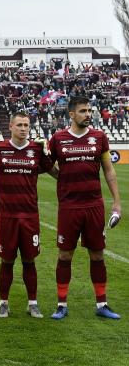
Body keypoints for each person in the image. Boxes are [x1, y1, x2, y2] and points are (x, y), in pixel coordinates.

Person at [47, 96, 122, 320]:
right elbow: (48, 166)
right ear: (71, 114)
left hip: (94, 205)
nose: (88, 114)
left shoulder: (99, 137)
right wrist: (62, 177)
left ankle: (102, 304)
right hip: (69, 207)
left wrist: (116, 202)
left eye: (89, 110)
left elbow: (108, 170)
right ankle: (61, 304)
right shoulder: (58, 139)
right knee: (65, 254)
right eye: (83, 111)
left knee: (97, 255)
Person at [0, 112, 54, 319]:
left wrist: (50, 152)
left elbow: (57, 173)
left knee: (30, 261)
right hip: (7, 216)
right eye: (19, 125)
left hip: (30, 216)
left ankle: (33, 303)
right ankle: (3, 303)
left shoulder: (36, 150)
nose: (23, 128)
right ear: (10, 126)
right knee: (7, 261)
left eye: (26, 125)